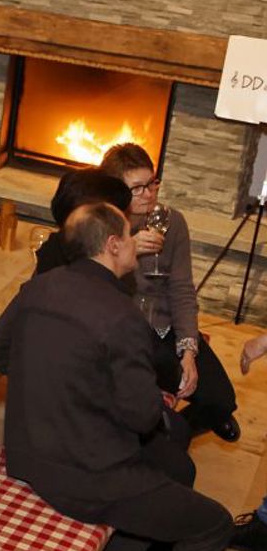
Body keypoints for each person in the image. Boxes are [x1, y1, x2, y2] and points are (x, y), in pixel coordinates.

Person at [0, 201, 232, 551]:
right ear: (113, 246)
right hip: (89, 475)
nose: (137, 242)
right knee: (212, 525)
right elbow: (140, 415)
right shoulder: (122, 317)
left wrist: (66, 382)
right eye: (130, 235)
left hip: (31, 454)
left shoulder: (39, 288)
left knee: (176, 467)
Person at [98, 142, 239, 443]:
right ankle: (159, 438)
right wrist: (128, 248)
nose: (149, 194)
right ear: (116, 190)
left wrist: (188, 349)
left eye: (152, 183)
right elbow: (95, 288)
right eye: (137, 188)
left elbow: (182, 289)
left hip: (165, 327)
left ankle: (169, 434)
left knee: (221, 401)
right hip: (125, 332)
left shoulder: (172, 222)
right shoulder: (101, 227)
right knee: (135, 405)